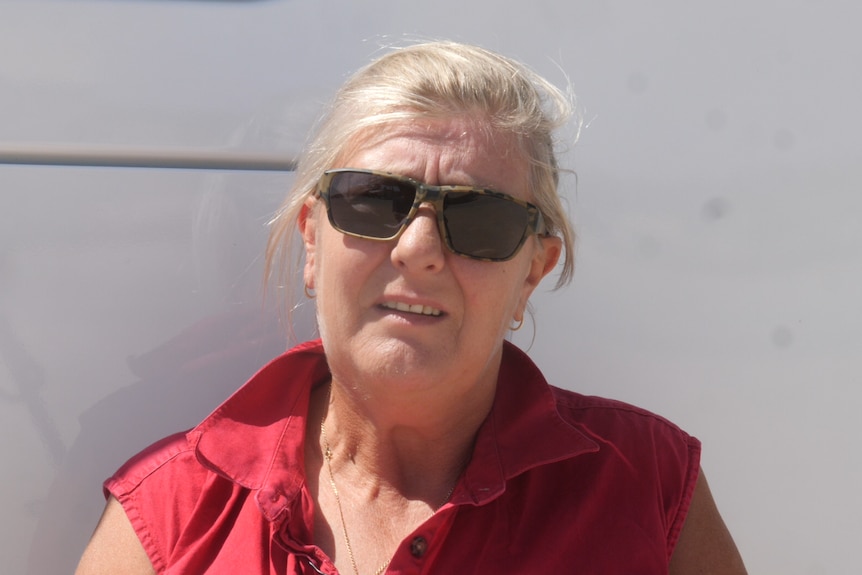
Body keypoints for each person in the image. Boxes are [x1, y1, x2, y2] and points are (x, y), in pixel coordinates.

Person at [75, 41, 747, 574]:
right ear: (313, 241)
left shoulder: (645, 484)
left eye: (480, 218)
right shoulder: (169, 514)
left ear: (531, 275)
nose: (418, 249)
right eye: (372, 201)